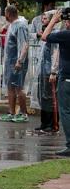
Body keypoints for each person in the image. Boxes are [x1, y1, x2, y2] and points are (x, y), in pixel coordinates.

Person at [42, 9, 70, 156]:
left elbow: (45, 36)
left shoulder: (65, 34)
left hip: (67, 79)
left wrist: (53, 20)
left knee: (65, 112)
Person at [0, 6, 30, 123]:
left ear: (8, 14)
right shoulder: (12, 25)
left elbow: (24, 45)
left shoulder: (20, 26)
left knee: (19, 87)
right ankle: (11, 112)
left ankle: (23, 113)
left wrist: (20, 61)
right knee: (10, 87)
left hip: (17, 62)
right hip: (10, 62)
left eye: (5, 14)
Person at [33, 12, 59, 133]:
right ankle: (44, 123)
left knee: (50, 98)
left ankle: (52, 124)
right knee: (43, 97)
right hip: (42, 70)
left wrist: (53, 71)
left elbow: (55, 54)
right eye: (42, 18)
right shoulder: (44, 32)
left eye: (45, 18)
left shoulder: (54, 34)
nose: (42, 20)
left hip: (49, 71)